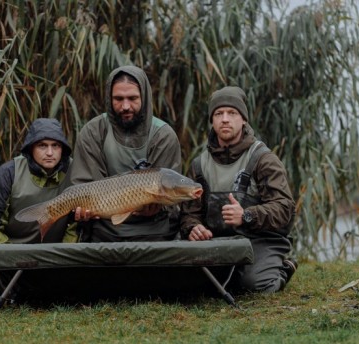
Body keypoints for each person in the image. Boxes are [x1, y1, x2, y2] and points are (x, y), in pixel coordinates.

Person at [180, 86, 297, 293]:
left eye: (232, 113)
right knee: (193, 286)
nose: (225, 119)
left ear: (243, 120)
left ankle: (283, 269)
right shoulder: (199, 165)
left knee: (256, 285)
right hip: (218, 241)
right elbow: (189, 213)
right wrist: (193, 228)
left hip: (260, 239)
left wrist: (247, 215)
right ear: (212, 121)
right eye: (218, 114)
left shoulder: (263, 159)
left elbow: (285, 208)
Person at [0, 118, 76, 303]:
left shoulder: (74, 170)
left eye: (55, 146)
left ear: (63, 148)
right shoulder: (9, 173)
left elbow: (76, 223)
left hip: (55, 255)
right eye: (42, 146)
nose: (50, 153)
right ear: (31, 148)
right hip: (14, 254)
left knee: (60, 294)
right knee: (24, 295)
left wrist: (64, 255)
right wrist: (14, 256)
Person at [68, 65, 182, 242]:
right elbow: (86, 188)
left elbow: (172, 196)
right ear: (109, 98)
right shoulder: (93, 131)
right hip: (106, 227)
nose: (125, 106)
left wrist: (159, 207)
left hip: (153, 228)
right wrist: (82, 210)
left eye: (133, 98)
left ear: (144, 97)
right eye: (118, 99)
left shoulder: (163, 135)